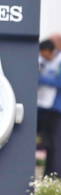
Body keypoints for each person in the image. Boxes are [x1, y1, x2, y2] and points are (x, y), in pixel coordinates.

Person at [38, 39, 61, 176]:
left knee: (52, 142)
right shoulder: (40, 61)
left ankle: (51, 172)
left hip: (55, 109)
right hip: (40, 106)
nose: (43, 56)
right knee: (39, 139)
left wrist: (39, 78)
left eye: (45, 54)